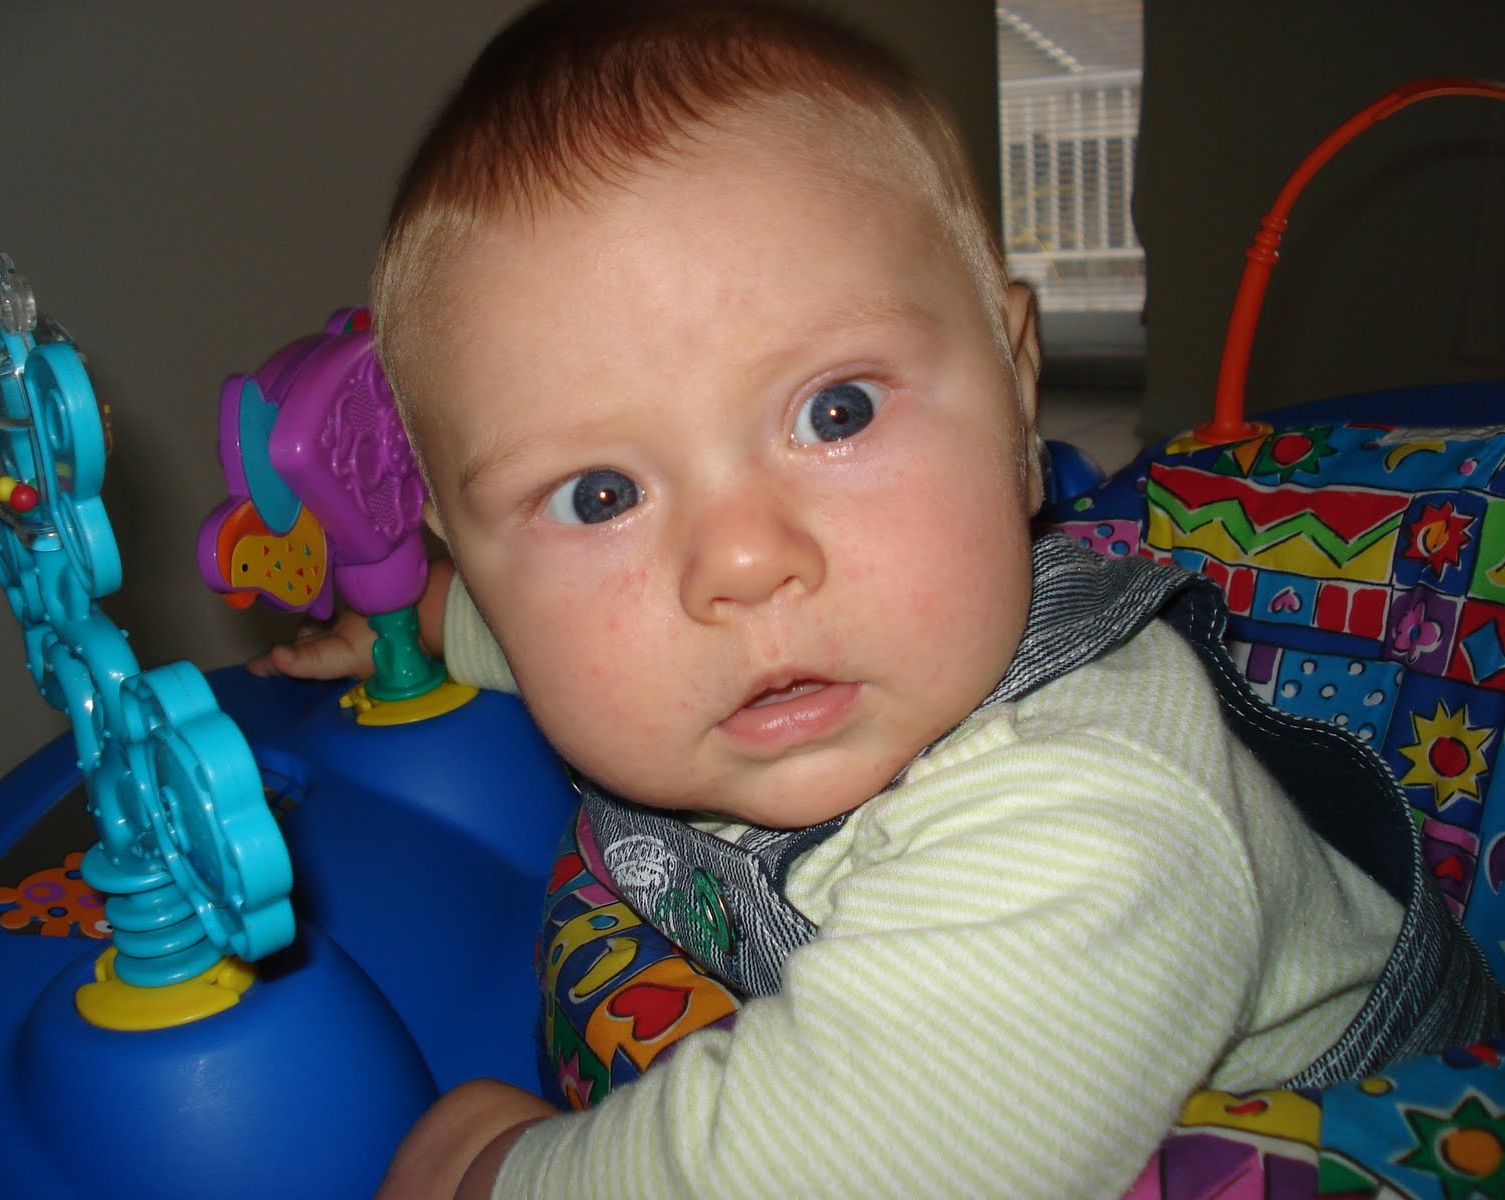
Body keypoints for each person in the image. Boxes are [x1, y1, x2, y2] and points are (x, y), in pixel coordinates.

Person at [252, 2, 1504, 1195]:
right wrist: (424, 627)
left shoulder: (1093, 805)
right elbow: (560, 635)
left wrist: (498, 1174)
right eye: (598, 496)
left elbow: (864, 1160)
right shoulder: (757, 639)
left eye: (834, 412)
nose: (742, 562)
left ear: (1015, 394)